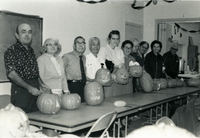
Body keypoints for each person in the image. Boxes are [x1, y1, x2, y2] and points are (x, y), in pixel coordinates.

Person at [4, 23, 50, 113]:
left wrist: (42, 84)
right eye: (23, 32)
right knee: (22, 121)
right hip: (21, 92)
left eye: (29, 32)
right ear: (17, 35)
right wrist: (29, 88)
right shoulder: (11, 51)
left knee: (37, 120)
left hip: (35, 91)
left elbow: (34, 72)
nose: (27, 35)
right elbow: (12, 74)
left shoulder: (31, 51)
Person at [62, 36, 86, 102]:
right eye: (78, 43)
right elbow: (60, 72)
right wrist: (65, 89)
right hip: (72, 86)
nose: (81, 45)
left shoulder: (84, 58)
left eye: (83, 43)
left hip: (83, 86)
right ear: (74, 46)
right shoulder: (67, 56)